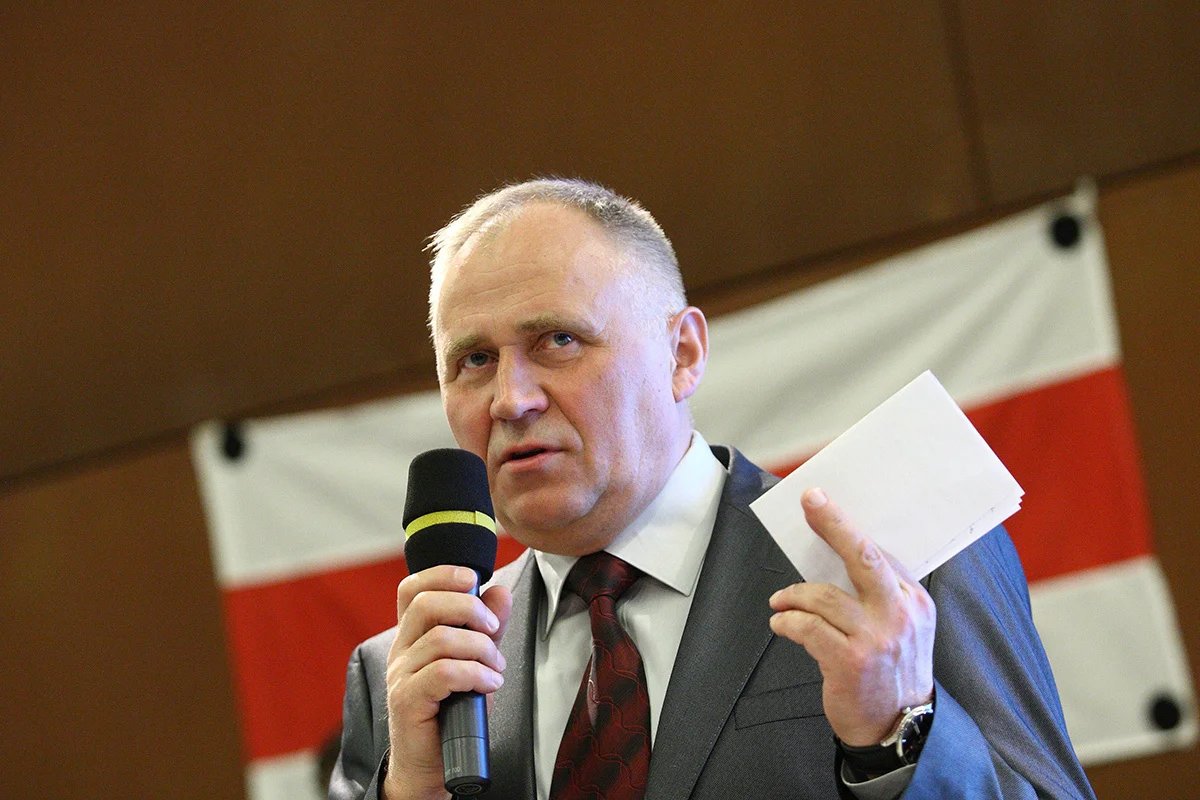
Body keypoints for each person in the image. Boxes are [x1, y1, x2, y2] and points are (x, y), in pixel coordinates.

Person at [330, 178, 1095, 800]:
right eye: (472, 361)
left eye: (557, 341)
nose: (510, 398)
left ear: (683, 354)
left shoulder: (895, 554)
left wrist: (900, 737)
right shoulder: (406, 676)